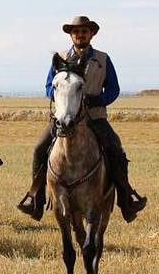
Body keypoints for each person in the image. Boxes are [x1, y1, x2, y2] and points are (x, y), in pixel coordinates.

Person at [17, 15, 147, 223]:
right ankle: (36, 198)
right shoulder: (59, 58)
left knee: (116, 149)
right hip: (63, 116)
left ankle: (126, 199)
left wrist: (98, 99)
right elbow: (49, 86)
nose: (80, 35)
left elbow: (114, 89)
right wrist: (59, 97)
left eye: (84, 31)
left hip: (94, 118)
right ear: (71, 35)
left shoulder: (103, 59)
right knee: (39, 149)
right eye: (76, 32)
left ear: (91, 34)